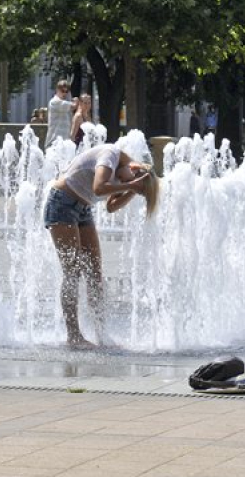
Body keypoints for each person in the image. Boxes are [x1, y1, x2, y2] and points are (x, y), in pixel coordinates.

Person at [44, 144, 159, 348]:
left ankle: (102, 335)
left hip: (83, 208)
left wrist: (132, 190)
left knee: (94, 273)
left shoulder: (125, 173)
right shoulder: (110, 156)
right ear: (132, 168)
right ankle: (73, 335)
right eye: (126, 180)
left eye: (126, 183)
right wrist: (131, 186)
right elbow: (98, 188)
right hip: (61, 203)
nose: (123, 182)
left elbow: (111, 206)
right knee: (72, 271)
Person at [45, 79, 78, 146]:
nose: (65, 93)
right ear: (57, 90)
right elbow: (74, 106)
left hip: (64, 141)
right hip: (54, 142)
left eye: (67, 91)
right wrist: (76, 100)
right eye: (62, 91)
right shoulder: (55, 101)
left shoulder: (65, 102)